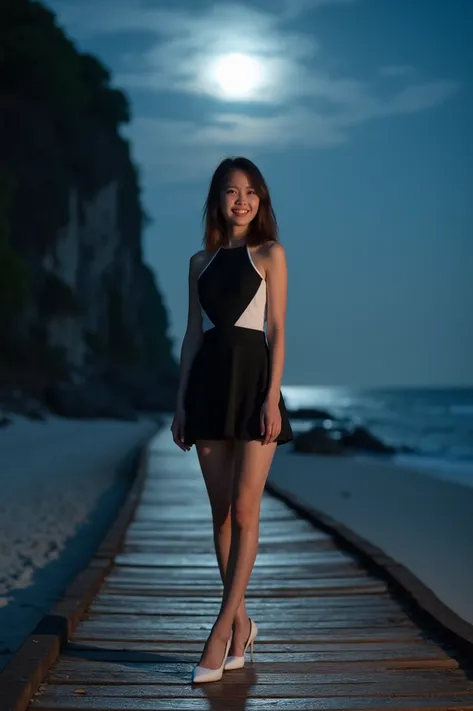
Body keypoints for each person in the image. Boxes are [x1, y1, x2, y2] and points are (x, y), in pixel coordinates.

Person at [171, 156, 293, 684]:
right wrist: (180, 403)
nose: (240, 200)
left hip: (253, 389)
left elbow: (278, 330)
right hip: (207, 391)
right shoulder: (200, 262)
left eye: (250, 192)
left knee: (245, 509)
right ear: (217, 200)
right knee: (220, 512)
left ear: (261, 201)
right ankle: (243, 622)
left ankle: (220, 629)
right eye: (230, 191)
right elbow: (193, 335)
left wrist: (272, 398)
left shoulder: (270, 254)